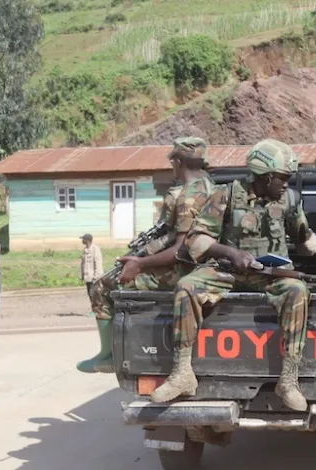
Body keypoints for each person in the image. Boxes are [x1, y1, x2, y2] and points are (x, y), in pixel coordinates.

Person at [150, 139, 316, 410]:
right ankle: (182, 373)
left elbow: (304, 238)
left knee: (298, 291)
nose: (286, 184)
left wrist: (309, 240)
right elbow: (195, 240)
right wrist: (231, 254)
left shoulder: (288, 199)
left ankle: (289, 380)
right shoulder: (226, 195)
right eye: (282, 178)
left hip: (270, 272)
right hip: (228, 269)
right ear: (264, 177)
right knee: (186, 286)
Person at [76, 137, 215, 374]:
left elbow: (181, 251)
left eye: (172, 161)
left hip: (187, 270)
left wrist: (139, 263)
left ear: (178, 162)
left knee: (103, 285)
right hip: (207, 266)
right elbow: (175, 234)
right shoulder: (211, 186)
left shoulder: (189, 195)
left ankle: (108, 355)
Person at [80, 233, 103, 301]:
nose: (82, 241)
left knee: (95, 295)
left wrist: (96, 277)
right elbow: (83, 264)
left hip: (94, 278)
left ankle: (97, 310)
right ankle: (94, 310)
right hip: (88, 277)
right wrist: (82, 275)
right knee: (90, 295)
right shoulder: (85, 250)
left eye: (83, 239)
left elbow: (98, 263)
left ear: (87, 240)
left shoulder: (95, 249)